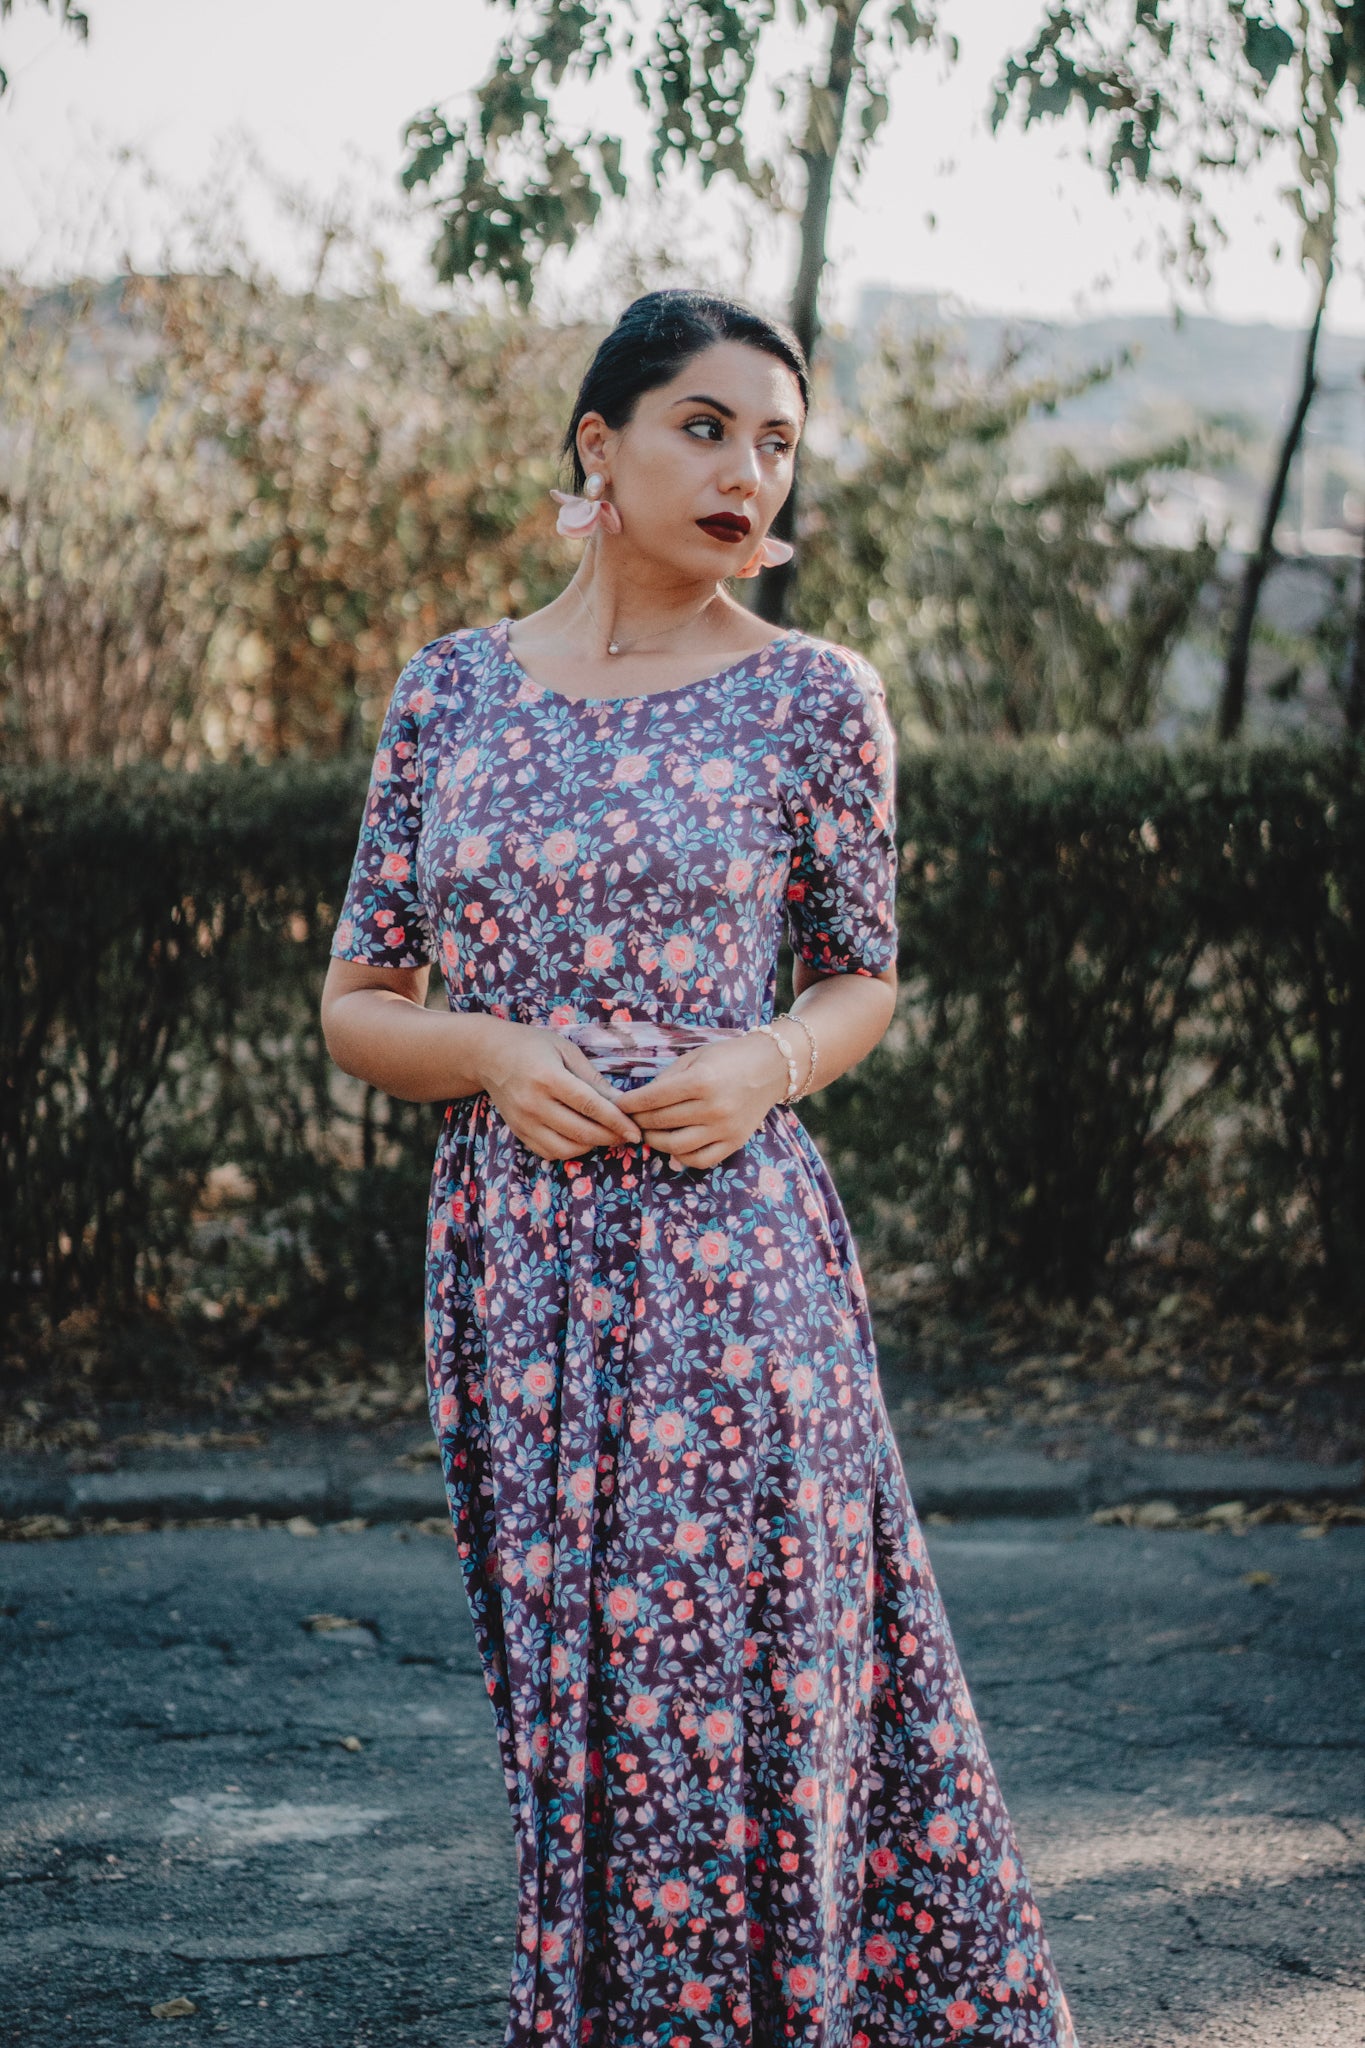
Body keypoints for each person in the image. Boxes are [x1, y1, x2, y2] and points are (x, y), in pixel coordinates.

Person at [321, 288, 1079, 2048]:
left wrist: (767, 1060)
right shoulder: (450, 689)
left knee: (736, 1697)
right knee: (575, 1712)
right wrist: (496, 1055)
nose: (750, 469)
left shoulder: (815, 698)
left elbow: (859, 969)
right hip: (512, 1277)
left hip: (731, 1273)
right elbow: (359, 1001)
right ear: (600, 443)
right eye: (707, 426)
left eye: (779, 440)